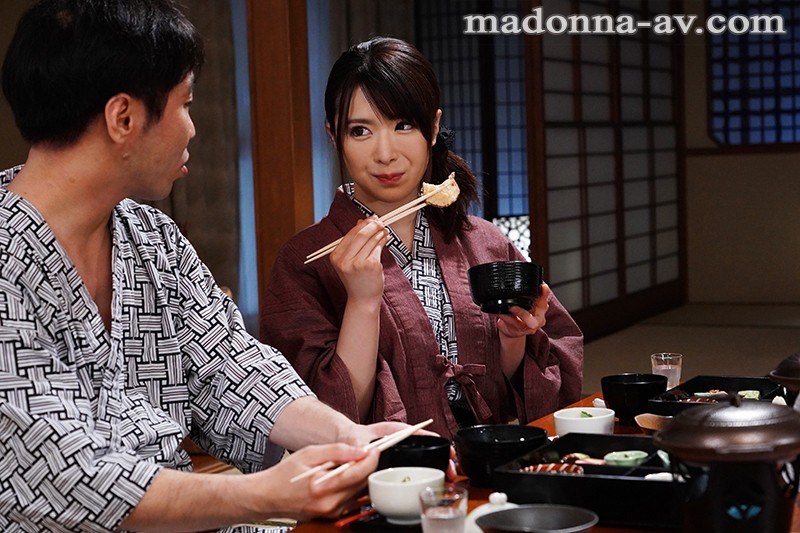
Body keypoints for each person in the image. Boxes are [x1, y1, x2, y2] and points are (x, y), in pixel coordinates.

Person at [0, 2, 415, 532]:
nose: (192, 129)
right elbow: (61, 475)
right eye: (185, 104)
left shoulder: (152, 237)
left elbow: (232, 366)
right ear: (123, 118)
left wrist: (347, 437)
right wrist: (263, 495)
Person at [261, 37, 584, 441]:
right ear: (333, 135)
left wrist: (513, 336)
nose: (385, 153)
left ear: (432, 127)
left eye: (404, 125)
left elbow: (518, 392)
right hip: (388, 470)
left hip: (482, 459)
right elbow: (326, 418)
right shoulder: (304, 261)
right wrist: (362, 302)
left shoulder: (483, 241)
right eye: (360, 130)